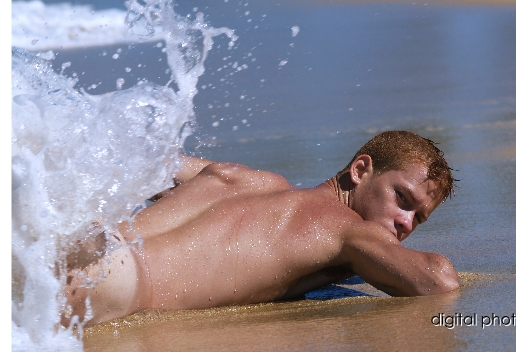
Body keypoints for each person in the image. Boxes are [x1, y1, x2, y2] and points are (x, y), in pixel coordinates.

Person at [61, 130, 460, 327]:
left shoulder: (243, 178)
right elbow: (438, 281)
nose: (405, 223)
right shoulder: (348, 230)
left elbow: (129, 162)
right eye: (402, 199)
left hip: (82, 238)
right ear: (360, 171)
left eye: (419, 218)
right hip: (114, 284)